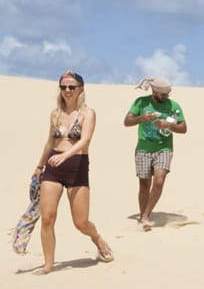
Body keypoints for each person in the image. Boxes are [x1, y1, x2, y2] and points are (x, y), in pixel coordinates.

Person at [31, 71, 113, 273]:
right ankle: (49, 264)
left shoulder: (88, 113)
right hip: (53, 166)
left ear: (81, 89)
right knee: (48, 216)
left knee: (81, 222)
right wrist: (39, 166)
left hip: (77, 165)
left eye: (71, 87)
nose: (67, 91)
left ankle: (97, 239)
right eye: (63, 87)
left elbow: (85, 140)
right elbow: (50, 141)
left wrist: (65, 156)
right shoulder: (55, 113)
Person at [123, 76, 187, 231]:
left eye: (167, 94)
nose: (166, 97)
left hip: (164, 148)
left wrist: (169, 125)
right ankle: (143, 216)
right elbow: (127, 121)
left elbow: (184, 128)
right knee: (144, 184)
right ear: (154, 91)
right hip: (144, 148)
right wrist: (142, 118)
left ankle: (146, 216)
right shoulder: (141, 102)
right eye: (163, 94)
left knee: (159, 182)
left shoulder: (174, 106)